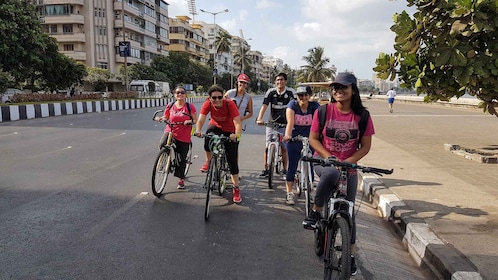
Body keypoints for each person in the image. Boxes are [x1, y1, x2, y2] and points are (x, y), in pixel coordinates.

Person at [301, 72, 375, 276]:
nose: (338, 91)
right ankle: (316, 212)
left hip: (349, 168)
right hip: (324, 162)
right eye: (334, 88)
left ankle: (349, 256)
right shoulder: (324, 112)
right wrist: (329, 157)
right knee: (332, 173)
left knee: (349, 213)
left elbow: (365, 146)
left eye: (343, 87)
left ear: (353, 90)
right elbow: (314, 139)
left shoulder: (363, 116)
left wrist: (347, 163)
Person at [195, 85, 243, 203]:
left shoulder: (229, 104)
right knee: (208, 140)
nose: (217, 100)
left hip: (229, 130)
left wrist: (235, 136)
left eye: (219, 97)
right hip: (215, 126)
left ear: (223, 97)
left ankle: (236, 188)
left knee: (232, 160)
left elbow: (237, 122)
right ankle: (209, 161)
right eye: (214, 98)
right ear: (209, 98)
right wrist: (197, 130)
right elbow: (201, 119)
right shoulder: (207, 104)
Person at [282, 85, 319, 205]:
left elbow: (319, 123)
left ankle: (312, 190)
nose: (303, 97)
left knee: (311, 164)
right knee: (292, 165)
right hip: (294, 138)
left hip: (311, 139)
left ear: (309, 96)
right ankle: (289, 192)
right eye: (300, 95)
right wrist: (287, 136)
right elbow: (290, 122)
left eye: (305, 95)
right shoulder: (292, 105)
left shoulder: (314, 106)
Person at [256, 72, 295, 178]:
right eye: (277, 80)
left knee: (284, 148)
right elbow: (264, 105)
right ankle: (266, 169)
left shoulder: (291, 92)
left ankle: (285, 169)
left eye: (282, 79)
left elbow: (296, 107)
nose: (279, 82)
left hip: (285, 125)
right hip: (271, 123)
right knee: (267, 147)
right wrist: (259, 118)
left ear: (285, 81)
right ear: (275, 82)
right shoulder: (271, 92)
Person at [157, 86, 198, 189]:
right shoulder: (170, 105)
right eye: (177, 92)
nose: (180, 94)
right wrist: (161, 118)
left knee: (181, 159)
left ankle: (181, 179)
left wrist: (189, 121)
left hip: (183, 133)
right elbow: (166, 116)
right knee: (162, 144)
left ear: (185, 94)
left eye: (182, 92)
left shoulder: (189, 107)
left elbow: (195, 120)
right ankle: (165, 160)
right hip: (170, 129)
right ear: (174, 94)